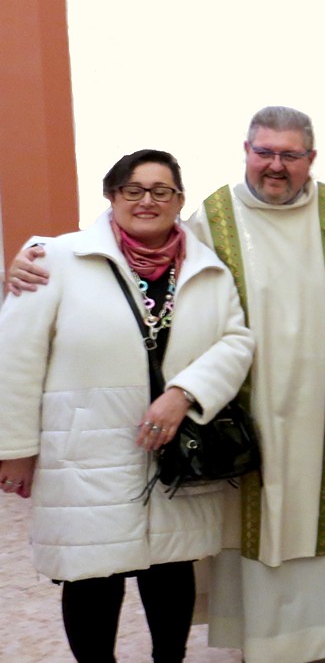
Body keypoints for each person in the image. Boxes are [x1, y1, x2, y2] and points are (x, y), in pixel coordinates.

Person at [0, 150, 253, 663]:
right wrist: (16, 449)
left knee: (171, 565)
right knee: (92, 573)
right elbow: (16, 357)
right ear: (111, 196)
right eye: (133, 190)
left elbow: (235, 341)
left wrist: (185, 393)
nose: (147, 201)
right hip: (84, 452)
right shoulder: (55, 260)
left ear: (179, 201)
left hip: (173, 448)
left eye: (161, 191)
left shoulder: (207, 269)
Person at [193, 106, 325, 662]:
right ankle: (265, 639)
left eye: (290, 155)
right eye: (265, 152)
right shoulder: (212, 219)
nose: (276, 165)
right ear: (246, 151)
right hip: (251, 404)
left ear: (311, 159)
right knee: (260, 516)